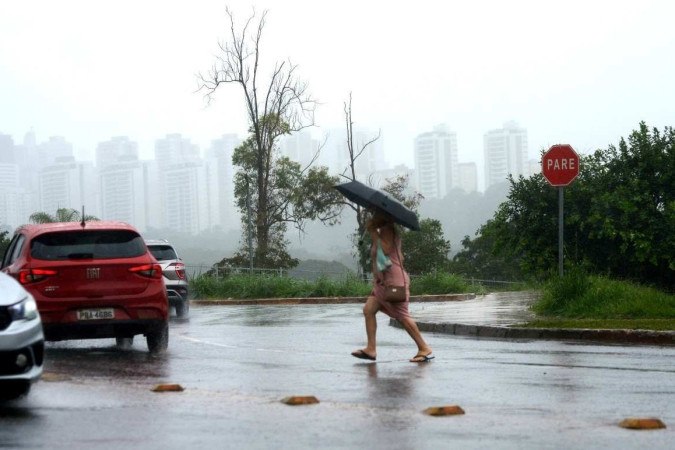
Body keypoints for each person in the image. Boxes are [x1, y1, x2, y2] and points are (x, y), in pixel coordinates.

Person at [351, 207, 434, 363]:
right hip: (382, 283)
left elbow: (387, 249)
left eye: (376, 213)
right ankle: (371, 349)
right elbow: (399, 257)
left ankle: (424, 348)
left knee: (402, 316)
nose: (373, 216)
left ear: (384, 216)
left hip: (393, 281)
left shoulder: (387, 229)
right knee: (369, 310)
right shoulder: (384, 230)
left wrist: (372, 232)